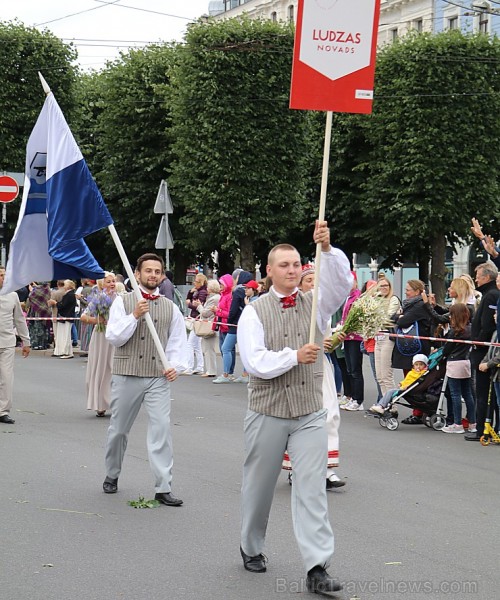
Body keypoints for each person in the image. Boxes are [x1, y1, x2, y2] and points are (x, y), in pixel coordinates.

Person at [237, 221, 352, 593]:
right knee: (259, 486)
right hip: (267, 410)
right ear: (269, 271)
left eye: (297, 264)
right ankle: (251, 546)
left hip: (308, 411)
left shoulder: (316, 305)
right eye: (283, 265)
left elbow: (342, 285)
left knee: (311, 489)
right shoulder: (253, 312)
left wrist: (328, 249)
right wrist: (294, 356)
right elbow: (254, 362)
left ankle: (317, 566)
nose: (291, 270)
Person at [102, 253, 188, 506]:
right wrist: (135, 315)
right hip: (127, 374)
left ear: (162, 276)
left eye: (157, 271)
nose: (153, 275)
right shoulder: (123, 302)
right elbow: (114, 337)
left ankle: (163, 486)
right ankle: (112, 473)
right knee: (118, 430)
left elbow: (176, 342)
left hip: (156, 377)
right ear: (137, 274)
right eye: (148, 270)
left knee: (161, 428)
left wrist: (175, 367)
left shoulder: (170, 307)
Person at [281, 263, 346, 488]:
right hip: (297, 365)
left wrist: (332, 340)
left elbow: (325, 340)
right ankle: (295, 468)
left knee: (328, 414)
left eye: (316, 281)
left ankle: (327, 469)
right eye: (309, 280)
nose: (313, 284)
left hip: (320, 366)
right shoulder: (290, 306)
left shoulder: (324, 309)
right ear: (300, 283)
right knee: (299, 418)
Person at [465, 262, 500, 441]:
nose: (475, 278)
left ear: (486, 277)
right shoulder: (489, 294)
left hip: (485, 351)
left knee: (483, 393)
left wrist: (477, 343)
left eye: (478, 275)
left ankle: (482, 429)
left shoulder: (490, 295)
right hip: (486, 349)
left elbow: (487, 325)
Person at [391, 279, 433, 424]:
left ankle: (419, 412)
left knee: (416, 380)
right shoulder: (409, 304)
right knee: (410, 378)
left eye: (408, 289)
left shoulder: (419, 305)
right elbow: (394, 317)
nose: (405, 292)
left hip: (416, 349)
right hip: (408, 347)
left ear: (416, 291)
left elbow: (401, 321)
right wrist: (398, 316)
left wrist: (399, 317)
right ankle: (418, 411)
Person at [81, 272, 117, 417]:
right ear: (102, 284)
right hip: (101, 336)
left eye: (113, 281)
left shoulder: (121, 298)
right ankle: (100, 404)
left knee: (114, 368)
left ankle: (115, 402)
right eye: (109, 281)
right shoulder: (98, 298)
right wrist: (98, 321)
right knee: (100, 367)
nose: (112, 284)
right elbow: (83, 316)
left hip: (115, 335)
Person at [0, 266, 31, 424]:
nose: (3, 278)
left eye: (4, 275)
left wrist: (26, 341)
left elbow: (19, 319)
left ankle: (3, 411)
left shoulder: (13, 296)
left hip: (7, 342)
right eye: (0, 275)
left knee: (6, 377)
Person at [213, 270, 253, 384]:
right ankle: (245, 373)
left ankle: (226, 374)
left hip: (234, 325)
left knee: (226, 348)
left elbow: (233, 309)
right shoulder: (247, 291)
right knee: (245, 349)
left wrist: (229, 319)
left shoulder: (237, 291)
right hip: (244, 324)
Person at [440, 304, 476, 434]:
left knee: (455, 394)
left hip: (454, 362)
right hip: (466, 361)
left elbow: (447, 349)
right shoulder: (470, 329)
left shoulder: (454, 331)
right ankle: (472, 423)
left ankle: (457, 423)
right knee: (467, 394)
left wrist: (443, 353)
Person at [339, 273, 365, 411]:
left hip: (355, 337)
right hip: (347, 337)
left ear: (355, 282)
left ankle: (358, 400)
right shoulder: (348, 297)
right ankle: (353, 398)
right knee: (350, 369)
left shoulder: (358, 298)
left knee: (355, 370)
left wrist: (347, 327)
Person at [374, 276, 401, 395]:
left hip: (387, 337)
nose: (384, 288)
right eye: (381, 286)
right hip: (377, 338)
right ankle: (384, 405)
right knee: (379, 377)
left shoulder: (393, 299)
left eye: (386, 285)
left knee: (386, 376)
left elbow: (387, 318)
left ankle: (391, 406)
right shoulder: (377, 300)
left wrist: (374, 318)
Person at [183, 273, 208, 375]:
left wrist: (189, 304)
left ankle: (189, 367)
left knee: (190, 343)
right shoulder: (199, 291)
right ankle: (199, 367)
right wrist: (190, 292)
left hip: (197, 319)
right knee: (197, 345)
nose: (194, 283)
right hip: (197, 318)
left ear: (200, 282)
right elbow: (191, 300)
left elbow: (198, 306)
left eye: (196, 281)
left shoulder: (202, 292)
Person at [197, 279, 221, 378]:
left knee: (208, 349)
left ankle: (211, 370)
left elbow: (206, 313)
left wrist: (199, 307)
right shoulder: (214, 298)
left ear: (211, 288)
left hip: (210, 325)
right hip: (210, 324)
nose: (207, 289)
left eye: (208, 287)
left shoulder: (214, 299)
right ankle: (210, 369)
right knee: (207, 348)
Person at [48, 280, 77, 359]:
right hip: (66, 316)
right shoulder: (71, 294)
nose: (64, 286)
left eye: (65, 285)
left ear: (68, 286)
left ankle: (66, 352)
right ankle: (67, 352)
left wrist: (55, 303)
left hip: (65, 316)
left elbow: (63, 305)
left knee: (65, 335)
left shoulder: (69, 295)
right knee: (65, 335)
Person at [25, 282, 52, 350]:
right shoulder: (47, 289)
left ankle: (36, 344)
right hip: (46, 311)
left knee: (36, 328)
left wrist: (32, 290)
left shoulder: (36, 290)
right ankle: (44, 344)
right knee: (45, 328)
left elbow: (31, 297)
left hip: (37, 312)